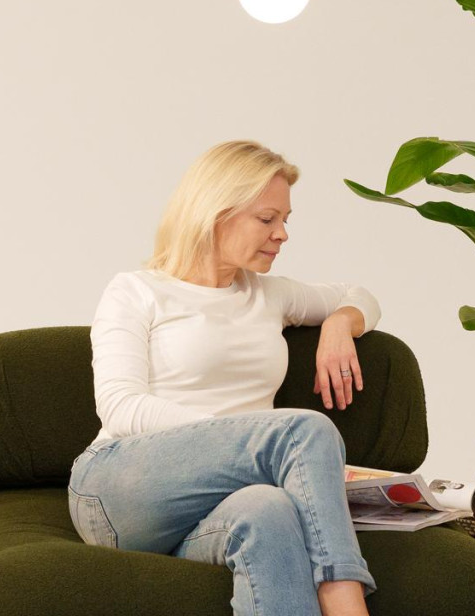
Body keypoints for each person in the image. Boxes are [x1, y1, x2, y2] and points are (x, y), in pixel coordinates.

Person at [68, 140, 381, 616]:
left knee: (269, 510)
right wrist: (238, 438)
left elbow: (359, 295)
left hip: (219, 505)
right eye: (267, 218)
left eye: (285, 220)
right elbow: (120, 405)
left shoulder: (269, 295)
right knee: (304, 431)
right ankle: (345, 602)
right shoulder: (136, 291)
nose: (282, 234)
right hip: (118, 488)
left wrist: (339, 324)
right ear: (216, 212)